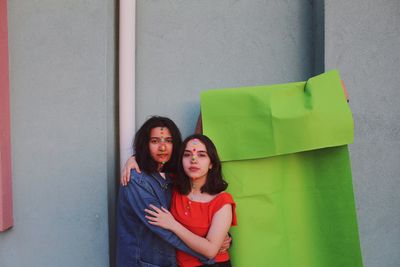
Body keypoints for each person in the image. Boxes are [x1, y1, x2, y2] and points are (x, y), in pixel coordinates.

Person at [116, 117, 215, 266]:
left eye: (168, 141)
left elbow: (193, 215)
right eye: (155, 141)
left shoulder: (174, 176)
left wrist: (220, 236)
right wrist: (207, 252)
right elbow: (163, 227)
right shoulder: (135, 180)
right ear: (145, 145)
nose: (163, 148)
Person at [144, 134, 237, 267]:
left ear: (211, 163)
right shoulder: (173, 185)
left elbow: (210, 251)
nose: (193, 160)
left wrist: (172, 224)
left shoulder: (221, 201)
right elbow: (149, 163)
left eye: (201, 155)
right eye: (187, 155)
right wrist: (131, 160)